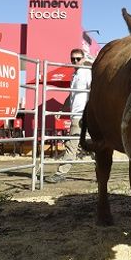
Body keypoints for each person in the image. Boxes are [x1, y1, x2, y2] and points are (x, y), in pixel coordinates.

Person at [45, 49, 92, 183]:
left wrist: (89, 111)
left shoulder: (86, 73)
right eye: (73, 59)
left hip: (81, 115)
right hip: (76, 115)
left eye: (78, 59)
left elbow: (93, 90)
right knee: (90, 145)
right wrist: (62, 110)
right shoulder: (74, 74)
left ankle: (61, 173)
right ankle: (101, 169)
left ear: (83, 59)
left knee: (71, 145)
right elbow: (71, 95)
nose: (75, 61)